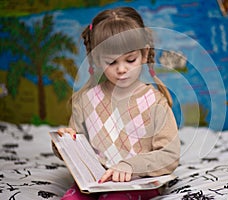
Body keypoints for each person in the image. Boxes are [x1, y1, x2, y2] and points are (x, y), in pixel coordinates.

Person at [52, 6, 180, 200]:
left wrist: (130, 165)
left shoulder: (154, 102)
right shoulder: (85, 100)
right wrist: (65, 143)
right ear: (96, 60)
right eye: (111, 62)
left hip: (138, 182)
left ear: (144, 55)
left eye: (130, 60)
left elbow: (170, 155)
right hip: (97, 182)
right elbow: (77, 154)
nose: (121, 69)